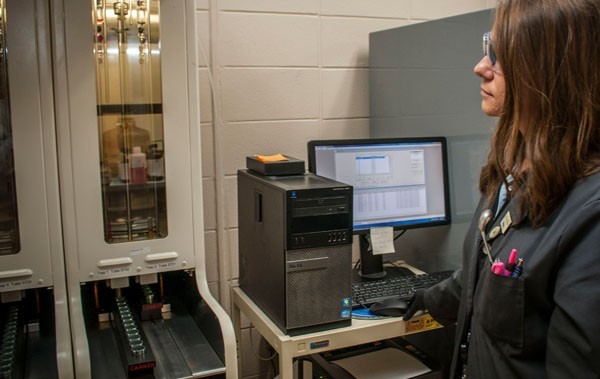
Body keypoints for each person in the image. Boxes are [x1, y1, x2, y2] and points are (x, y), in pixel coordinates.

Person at [402, 0, 600, 378]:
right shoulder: (514, 167)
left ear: (550, 71)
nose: (480, 68)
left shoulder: (590, 214)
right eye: (488, 49)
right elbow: (489, 271)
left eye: (501, 56)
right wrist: (424, 299)